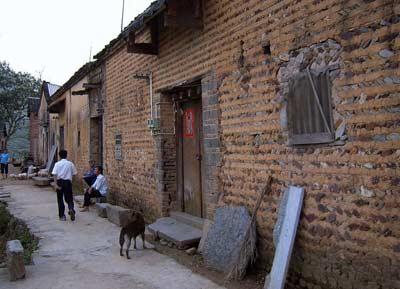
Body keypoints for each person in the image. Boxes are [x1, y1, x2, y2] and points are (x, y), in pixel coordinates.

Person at [52, 149, 77, 221]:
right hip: (68, 182)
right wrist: (71, 182)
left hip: (59, 182)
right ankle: (71, 209)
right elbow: (74, 174)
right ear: (66, 155)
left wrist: (55, 184)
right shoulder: (70, 164)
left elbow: (54, 174)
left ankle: (62, 216)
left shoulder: (57, 164)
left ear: (59, 156)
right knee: (69, 198)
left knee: (60, 199)